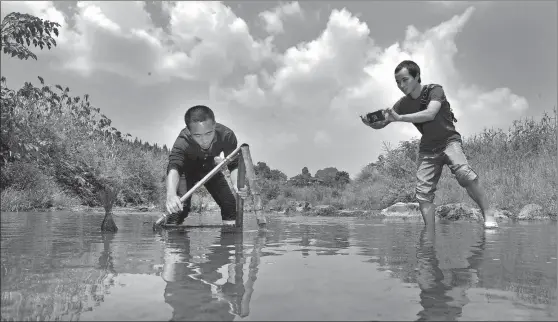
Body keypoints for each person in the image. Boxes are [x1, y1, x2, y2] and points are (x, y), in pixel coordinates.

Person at [360, 60, 498, 230]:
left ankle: (488, 214)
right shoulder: (403, 103)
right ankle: (429, 231)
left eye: (405, 80)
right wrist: (370, 123)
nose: (401, 85)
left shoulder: (435, 90)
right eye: (397, 82)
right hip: (428, 148)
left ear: (417, 76)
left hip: (449, 141)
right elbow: (383, 123)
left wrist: (401, 118)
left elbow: (431, 113)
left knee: (463, 173)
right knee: (423, 192)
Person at [165, 105, 247, 226]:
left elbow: (234, 165)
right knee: (179, 209)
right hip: (186, 173)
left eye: (209, 133)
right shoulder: (182, 141)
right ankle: (172, 239)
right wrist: (171, 195)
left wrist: (237, 184)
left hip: (210, 171)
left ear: (214, 125)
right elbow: (174, 167)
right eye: (197, 136)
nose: (204, 140)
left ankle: (229, 242)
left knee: (229, 204)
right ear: (189, 131)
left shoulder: (227, 135)